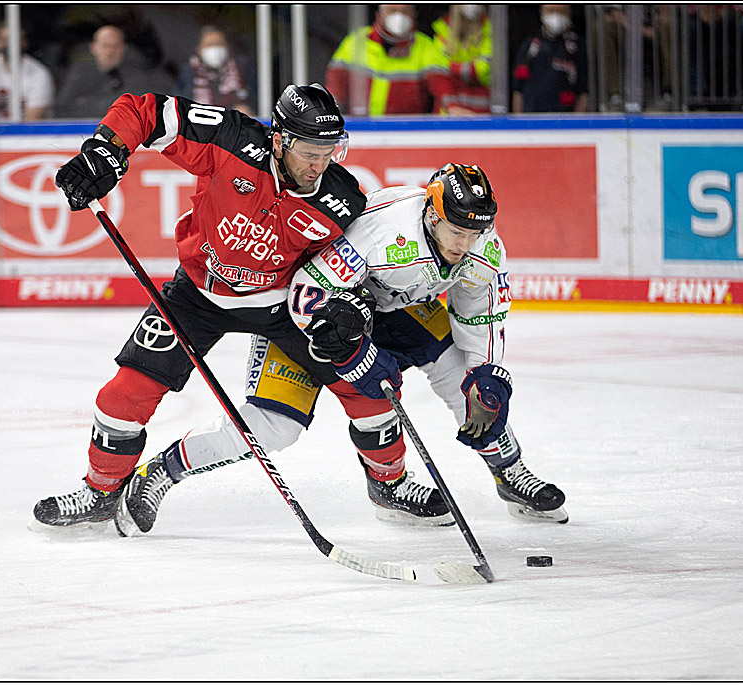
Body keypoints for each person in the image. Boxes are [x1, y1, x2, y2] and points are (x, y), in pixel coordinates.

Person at [33, 83, 452, 530]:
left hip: (284, 305)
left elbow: (352, 269)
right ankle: (100, 492)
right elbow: (144, 110)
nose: (319, 164)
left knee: (371, 386)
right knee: (124, 395)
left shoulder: (342, 199)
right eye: (310, 150)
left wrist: (353, 311)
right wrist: (106, 150)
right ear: (280, 139)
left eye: (330, 150)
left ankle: (388, 484)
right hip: (197, 295)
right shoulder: (231, 140)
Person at [112, 164, 568, 538]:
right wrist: (352, 352)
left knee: (462, 378)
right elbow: (305, 294)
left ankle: (505, 473)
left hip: (394, 305)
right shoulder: (384, 232)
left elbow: (480, 316)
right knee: (276, 427)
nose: (465, 246)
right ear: (431, 215)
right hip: (311, 313)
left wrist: (486, 372)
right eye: (456, 232)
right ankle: (162, 471)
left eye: (476, 233)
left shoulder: (483, 249)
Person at [325, 4, 452, 115]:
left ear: (414, 15)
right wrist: (327, 113)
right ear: (379, 15)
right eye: (392, 10)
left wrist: (450, 110)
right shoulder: (357, 41)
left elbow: (443, 89)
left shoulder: (425, 47)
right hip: (363, 129)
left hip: (407, 131)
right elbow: (336, 87)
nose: (399, 16)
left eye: (405, 11)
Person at [55, 24, 171, 119]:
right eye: (105, 46)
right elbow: (62, 108)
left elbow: (135, 109)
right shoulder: (79, 73)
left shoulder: (139, 76)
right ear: (93, 48)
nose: (110, 52)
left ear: (124, 48)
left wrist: (85, 103)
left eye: (115, 46)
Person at [511, 4, 589, 113]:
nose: (556, 16)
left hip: (565, 121)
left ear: (569, 14)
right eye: (551, 11)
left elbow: (584, 92)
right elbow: (518, 90)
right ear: (542, 13)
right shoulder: (530, 46)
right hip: (531, 120)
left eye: (562, 12)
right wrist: (519, 123)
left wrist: (576, 124)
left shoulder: (578, 47)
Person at [173, 25, 255, 116]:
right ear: (199, 49)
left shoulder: (243, 70)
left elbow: (259, 101)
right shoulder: (188, 73)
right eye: (210, 45)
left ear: (227, 47)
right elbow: (179, 107)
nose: (215, 49)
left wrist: (247, 111)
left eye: (219, 44)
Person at [432, 4, 493, 114]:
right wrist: (470, 68)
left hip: (480, 114)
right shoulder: (442, 29)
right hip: (448, 114)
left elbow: (482, 71)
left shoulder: (490, 29)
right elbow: (439, 74)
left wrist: (452, 68)